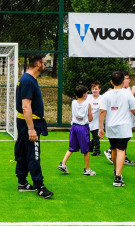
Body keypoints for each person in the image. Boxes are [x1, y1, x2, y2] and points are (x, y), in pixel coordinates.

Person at [15, 54, 53, 199]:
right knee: (33, 154)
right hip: (29, 124)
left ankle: (22, 182)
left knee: (24, 152)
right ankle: (40, 186)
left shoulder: (28, 79)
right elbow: (26, 106)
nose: (45, 65)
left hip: (28, 123)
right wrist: (31, 128)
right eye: (44, 62)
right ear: (38, 64)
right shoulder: (28, 81)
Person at [97, 70, 135, 187]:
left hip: (110, 126)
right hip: (123, 127)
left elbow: (102, 111)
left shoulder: (106, 95)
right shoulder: (128, 94)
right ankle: (117, 177)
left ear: (111, 82)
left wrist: (100, 127)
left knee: (114, 149)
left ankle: (116, 172)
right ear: (123, 81)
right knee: (121, 150)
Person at [58, 85, 96, 176]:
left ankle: (63, 163)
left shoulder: (73, 102)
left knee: (71, 147)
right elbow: (90, 118)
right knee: (86, 150)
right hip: (83, 128)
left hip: (74, 127)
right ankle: (87, 170)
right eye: (86, 93)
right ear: (84, 95)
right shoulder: (88, 104)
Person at [105, 73, 135, 167]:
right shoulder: (113, 93)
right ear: (122, 81)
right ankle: (118, 174)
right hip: (120, 125)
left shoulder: (125, 91)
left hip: (119, 124)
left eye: (128, 78)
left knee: (119, 148)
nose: (127, 80)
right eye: (126, 79)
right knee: (119, 149)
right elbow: (134, 108)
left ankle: (117, 173)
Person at [88, 83, 103, 156]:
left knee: (96, 136)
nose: (94, 90)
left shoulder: (102, 98)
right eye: (93, 89)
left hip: (97, 121)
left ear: (99, 90)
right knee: (91, 136)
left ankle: (97, 151)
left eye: (96, 89)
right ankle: (90, 146)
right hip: (88, 120)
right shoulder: (88, 97)